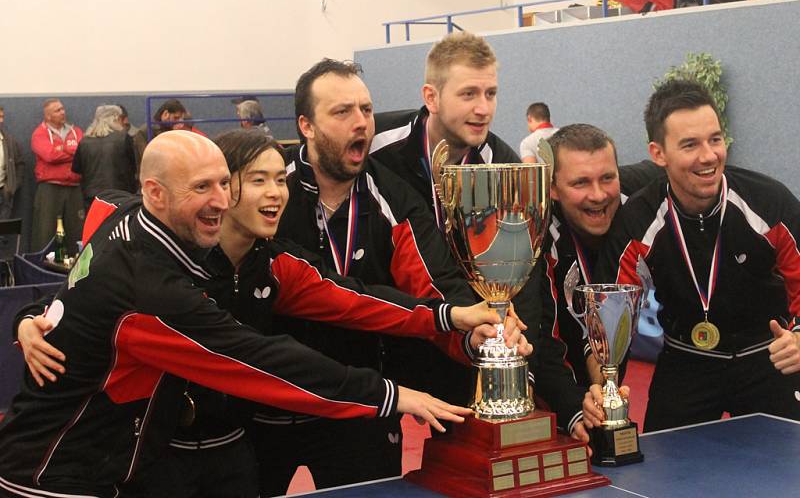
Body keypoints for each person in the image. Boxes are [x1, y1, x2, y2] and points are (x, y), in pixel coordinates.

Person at [7, 130, 511, 498]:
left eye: (223, 184)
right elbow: (257, 358)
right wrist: (388, 394)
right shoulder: (156, 285)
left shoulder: (141, 227)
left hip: (171, 454)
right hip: (71, 472)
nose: (221, 198)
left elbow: (352, 298)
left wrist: (445, 316)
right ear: (155, 193)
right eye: (208, 186)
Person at [251, 59, 487, 494]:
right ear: (306, 124)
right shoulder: (269, 191)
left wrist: (474, 330)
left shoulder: (392, 197)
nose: (361, 123)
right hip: (265, 405)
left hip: (363, 406)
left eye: (366, 110)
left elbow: (434, 280)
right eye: (342, 112)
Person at [371, 32, 590, 438]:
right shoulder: (377, 147)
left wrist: (513, 332)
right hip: (386, 337)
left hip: (466, 337)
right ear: (431, 97)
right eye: (469, 93)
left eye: (491, 93)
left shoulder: (503, 166)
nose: (483, 108)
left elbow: (521, 270)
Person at [583, 79, 800, 433]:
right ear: (658, 153)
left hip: (770, 358)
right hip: (686, 363)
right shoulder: (638, 220)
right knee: (665, 478)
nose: (709, 155)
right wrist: (603, 385)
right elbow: (609, 317)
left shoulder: (769, 202)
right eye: (690, 144)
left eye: (715, 139)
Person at [542, 124, 662, 390]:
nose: (598, 195)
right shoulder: (537, 232)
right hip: (562, 353)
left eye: (608, 178)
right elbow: (544, 342)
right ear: (552, 188)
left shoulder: (646, 190)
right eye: (580, 182)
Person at [30, 98, 83, 253]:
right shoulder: (39, 134)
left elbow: (82, 153)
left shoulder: (76, 131)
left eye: (62, 109)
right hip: (50, 188)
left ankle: (76, 269)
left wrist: (62, 150)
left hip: (74, 187)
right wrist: (71, 152)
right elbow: (50, 156)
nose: (62, 112)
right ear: (48, 116)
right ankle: (40, 269)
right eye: (57, 110)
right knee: (45, 231)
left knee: (77, 231)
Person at [72, 105, 137, 210]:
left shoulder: (85, 141)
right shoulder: (124, 138)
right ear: (116, 119)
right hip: (120, 194)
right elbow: (134, 167)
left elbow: (76, 169)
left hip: (92, 196)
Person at [0, 107, 25, 220]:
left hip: (4, 193)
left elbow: (20, 163)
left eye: (2, 117)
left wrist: (13, 185)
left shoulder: (9, 141)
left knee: (3, 231)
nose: (1, 121)